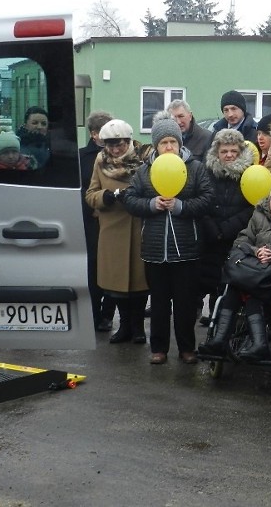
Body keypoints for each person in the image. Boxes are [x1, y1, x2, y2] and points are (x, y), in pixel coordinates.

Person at [122, 118, 212, 365]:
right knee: (159, 304)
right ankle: (158, 348)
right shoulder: (144, 171)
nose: (169, 146)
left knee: (185, 304)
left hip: (187, 250)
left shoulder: (195, 168)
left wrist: (182, 206)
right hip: (153, 250)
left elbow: (207, 199)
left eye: (173, 141)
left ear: (180, 142)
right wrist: (151, 204)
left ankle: (187, 349)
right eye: (164, 142)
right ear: (156, 145)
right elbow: (129, 199)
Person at [198, 169, 271, 362]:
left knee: (253, 293)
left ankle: (260, 346)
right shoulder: (259, 216)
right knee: (232, 290)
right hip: (255, 274)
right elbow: (241, 241)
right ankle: (220, 341)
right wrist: (255, 251)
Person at [85, 119, 149, 345]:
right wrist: (106, 197)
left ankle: (138, 327)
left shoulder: (145, 158)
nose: (113, 150)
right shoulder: (100, 160)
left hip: (139, 225)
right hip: (112, 228)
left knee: (140, 282)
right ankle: (124, 326)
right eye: (109, 145)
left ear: (129, 140)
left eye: (118, 144)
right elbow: (91, 193)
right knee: (116, 283)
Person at [197, 129, 255, 326]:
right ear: (217, 152)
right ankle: (214, 324)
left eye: (233, 151)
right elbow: (201, 201)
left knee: (231, 285)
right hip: (211, 238)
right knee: (212, 282)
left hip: (236, 239)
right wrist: (212, 227)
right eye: (224, 151)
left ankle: (228, 328)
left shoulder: (249, 173)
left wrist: (228, 228)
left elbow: (252, 207)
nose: (229, 155)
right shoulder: (206, 172)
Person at [79, 110, 115, 332]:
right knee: (93, 268)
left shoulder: (119, 154)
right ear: (94, 134)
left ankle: (108, 314)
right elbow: (79, 189)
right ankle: (93, 314)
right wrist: (92, 208)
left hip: (114, 220)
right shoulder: (82, 157)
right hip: (91, 222)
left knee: (112, 267)